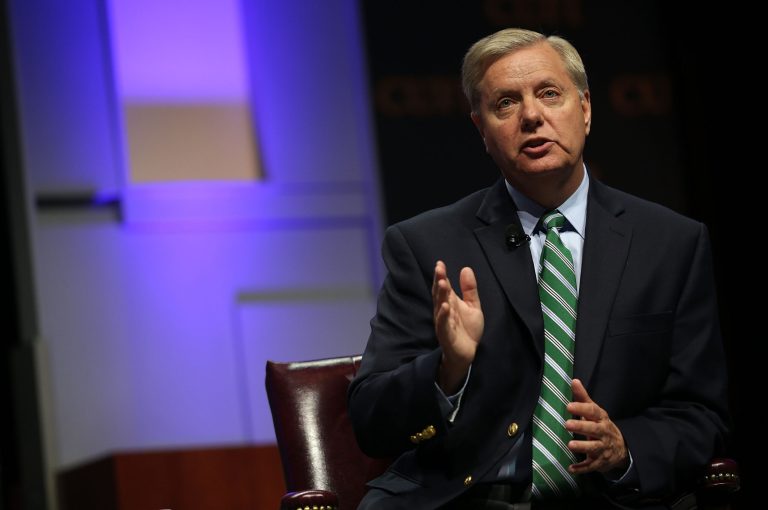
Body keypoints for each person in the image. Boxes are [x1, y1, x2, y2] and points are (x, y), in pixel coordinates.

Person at [347, 28, 730, 509]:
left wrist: (624, 448)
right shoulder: (426, 246)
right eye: (506, 104)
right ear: (480, 130)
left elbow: (701, 413)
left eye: (549, 94)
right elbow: (371, 423)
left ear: (585, 109)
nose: (531, 116)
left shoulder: (671, 243)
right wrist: (449, 370)